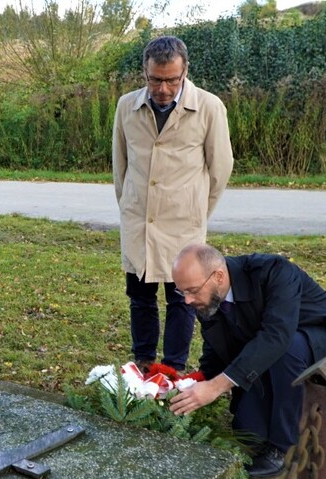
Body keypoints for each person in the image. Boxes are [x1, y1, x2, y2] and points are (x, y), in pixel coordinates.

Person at [168, 243, 326, 479]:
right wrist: (196, 382)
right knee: (248, 432)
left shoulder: (274, 271)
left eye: (192, 291)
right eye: (182, 292)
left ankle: (285, 447)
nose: (187, 300)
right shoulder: (207, 294)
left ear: (219, 277)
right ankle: (267, 430)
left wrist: (216, 387)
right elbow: (216, 343)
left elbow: (276, 336)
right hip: (280, 346)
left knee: (287, 347)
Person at [112, 35, 234, 377]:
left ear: (185, 72)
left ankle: (172, 369)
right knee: (140, 296)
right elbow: (120, 166)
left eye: (171, 80)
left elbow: (220, 168)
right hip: (139, 221)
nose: (163, 89)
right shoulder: (126, 107)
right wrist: (129, 206)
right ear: (144, 73)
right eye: (155, 80)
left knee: (183, 299)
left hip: (184, 224)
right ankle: (144, 363)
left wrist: (196, 212)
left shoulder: (209, 107)